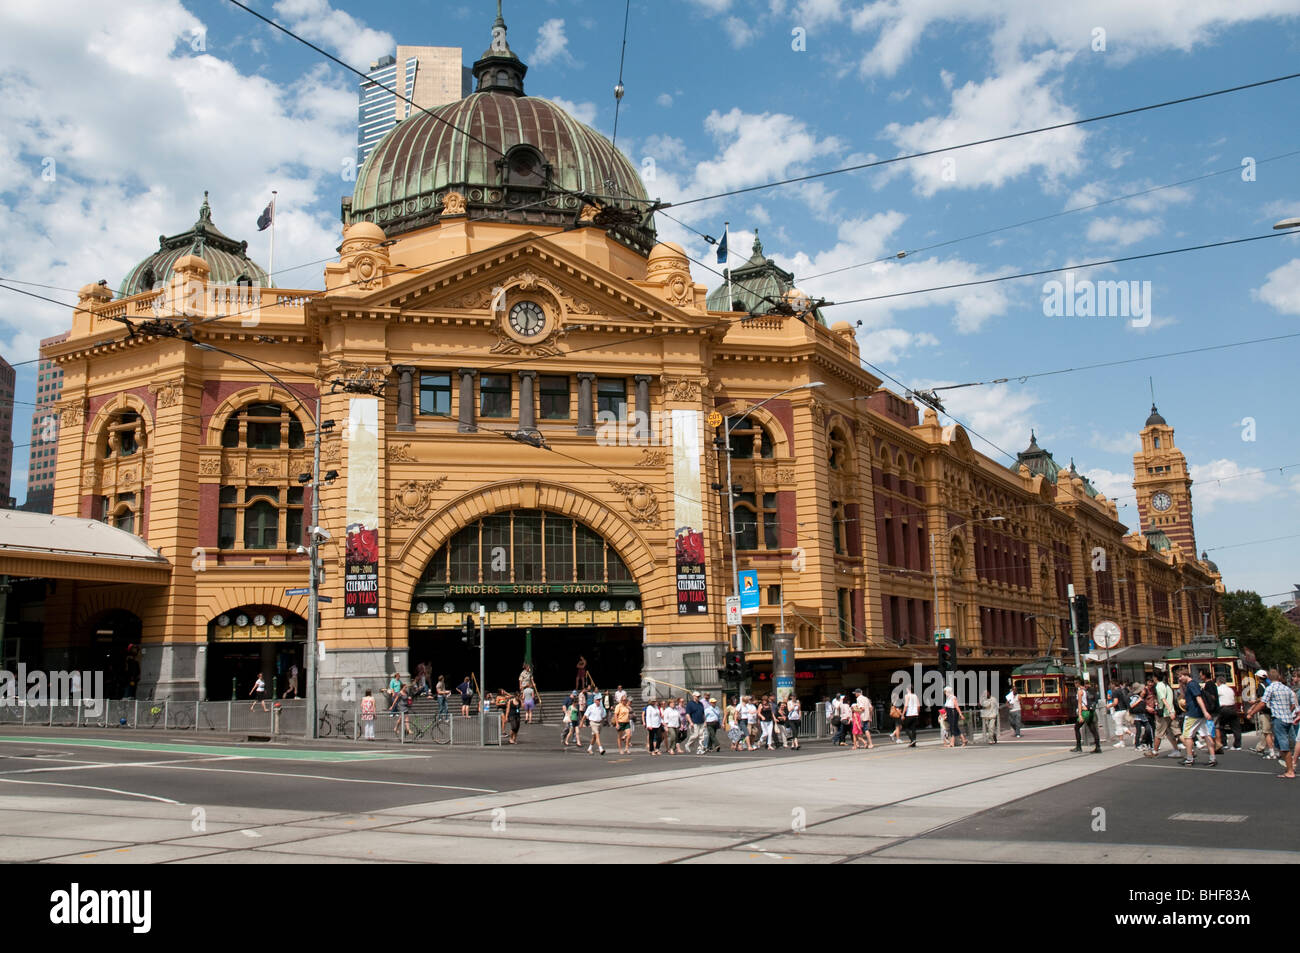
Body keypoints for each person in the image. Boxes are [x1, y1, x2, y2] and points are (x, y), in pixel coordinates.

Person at [1247, 667, 1298, 778]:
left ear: (1269, 677)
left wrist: (1251, 713)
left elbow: (1262, 703)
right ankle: (1289, 765)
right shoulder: (1286, 688)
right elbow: (1293, 703)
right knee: (1282, 743)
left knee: (1283, 745)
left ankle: (1290, 769)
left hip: (1279, 719)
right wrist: (1288, 711)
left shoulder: (1270, 688)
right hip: (1288, 718)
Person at [1177, 670, 1217, 767]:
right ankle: (1212, 758)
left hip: (1193, 714)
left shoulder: (1191, 685)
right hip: (1200, 714)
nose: (1179, 679)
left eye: (1180, 676)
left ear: (1186, 675)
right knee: (1206, 734)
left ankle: (1189, 758)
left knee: (1187, 736)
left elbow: (1198, 698)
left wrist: (1205, 711)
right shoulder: (1195, 684)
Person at [1154, 672, 1182, 758]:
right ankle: (1188, 749)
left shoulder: (1159, 686)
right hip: (1172, 711)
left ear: (1155, 677)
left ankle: (1154, 751)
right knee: (1174, 732)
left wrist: (1170, 711)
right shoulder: (1167, 686)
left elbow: (1163, 699)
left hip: (1165, 713)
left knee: (1159, 732)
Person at [1071, 677, 1100, 753]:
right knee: (1093, 729)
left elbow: (1079, 703)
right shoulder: (1086, 690)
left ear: (1078, 683)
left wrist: (1080, 715)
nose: (1075, 685)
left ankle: (1078, 747)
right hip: (1090, 711)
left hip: (1084, 712)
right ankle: (1098, 747)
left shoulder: (1080, 691)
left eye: (1075, 683)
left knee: (1076, 727)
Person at [1216, 676, 1241, 750]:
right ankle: (1237, 745)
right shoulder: (1230, 689)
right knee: (1236, 728)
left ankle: (1224, 743)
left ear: (1218, 682)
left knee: (1221, 726)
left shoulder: (1218, 689)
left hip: (1223, 709)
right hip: (1233, 708)